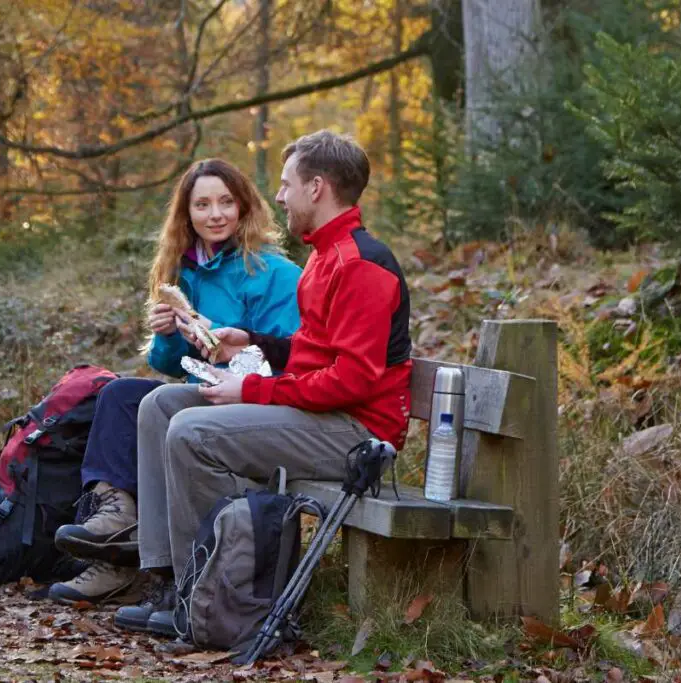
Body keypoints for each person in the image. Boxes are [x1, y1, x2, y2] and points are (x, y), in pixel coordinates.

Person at [109, 130, 413, 636]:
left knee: (192, 431)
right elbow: (313, 357)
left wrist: (250, 391)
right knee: (161, 405)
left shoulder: (360, 265)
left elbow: (353, 382)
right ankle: (169, 577)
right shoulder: (324, 257)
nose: (278, 196)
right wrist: (248, 342)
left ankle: (211, 592)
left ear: (317, 188)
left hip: (357, 433)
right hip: (321, 414)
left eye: (287, 183)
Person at [48, 158, 302, 604]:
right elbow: (171, 367)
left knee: (159, 405)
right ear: (187, 215)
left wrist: (227, 344)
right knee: (120, 395)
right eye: (202, 205)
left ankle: (153, 570)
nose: (215, 214)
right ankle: (116, 521)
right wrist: (166, 335)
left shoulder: (275, 273)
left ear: (244, 207)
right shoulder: (182, 272)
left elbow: (290, 356)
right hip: (202, 390)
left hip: (253, 401)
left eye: (226, 202)